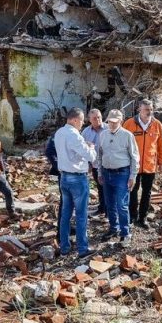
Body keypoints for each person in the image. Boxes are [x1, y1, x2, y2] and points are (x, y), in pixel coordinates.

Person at [54, 108, 96, 258]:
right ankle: (82, 249)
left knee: (65, 214)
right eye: (82, 120)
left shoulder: (59, 132)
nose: (83, 124)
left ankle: (64, 247)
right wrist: (91, 147)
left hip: (64, 177)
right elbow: (90, 156)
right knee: (81, 215)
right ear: (75, 120)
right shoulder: (74, 135)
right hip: (77, 178)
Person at [97, 110, 139, 247]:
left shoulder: (127, 135)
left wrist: (132, 176)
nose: (112, 124)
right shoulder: (102, 135)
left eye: (115, 122)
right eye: (110, 121)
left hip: (122, 174)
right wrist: (99, 173)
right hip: (106, 173)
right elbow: (99, 155)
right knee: (110, 204)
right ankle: (113, 228)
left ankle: (125, 233)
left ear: (120, 121)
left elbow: (134, 157)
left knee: (121, 205)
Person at [124, 99, 162, 229]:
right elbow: (122, 144)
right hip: (133, 166)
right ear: (139, 109)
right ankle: (132, 216)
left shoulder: (157, 124)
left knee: (147, 192)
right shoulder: (129, 124)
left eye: (151, 109)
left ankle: (143, 218)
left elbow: (161, 145)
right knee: (132, 191)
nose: (149, 112)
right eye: (147, 109)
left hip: (150, 164)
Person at [81, 109, 108, 216]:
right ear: (89, 120)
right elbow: (82, 150)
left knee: (109, 188)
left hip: (109, 165)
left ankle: (109, 212)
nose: (97, 120)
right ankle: (102, 208)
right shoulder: (85, 132)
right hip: (96, 165)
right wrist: (88, 164)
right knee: (100, 188)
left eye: (99, 117)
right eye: (94, 118)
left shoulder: (108, 128)